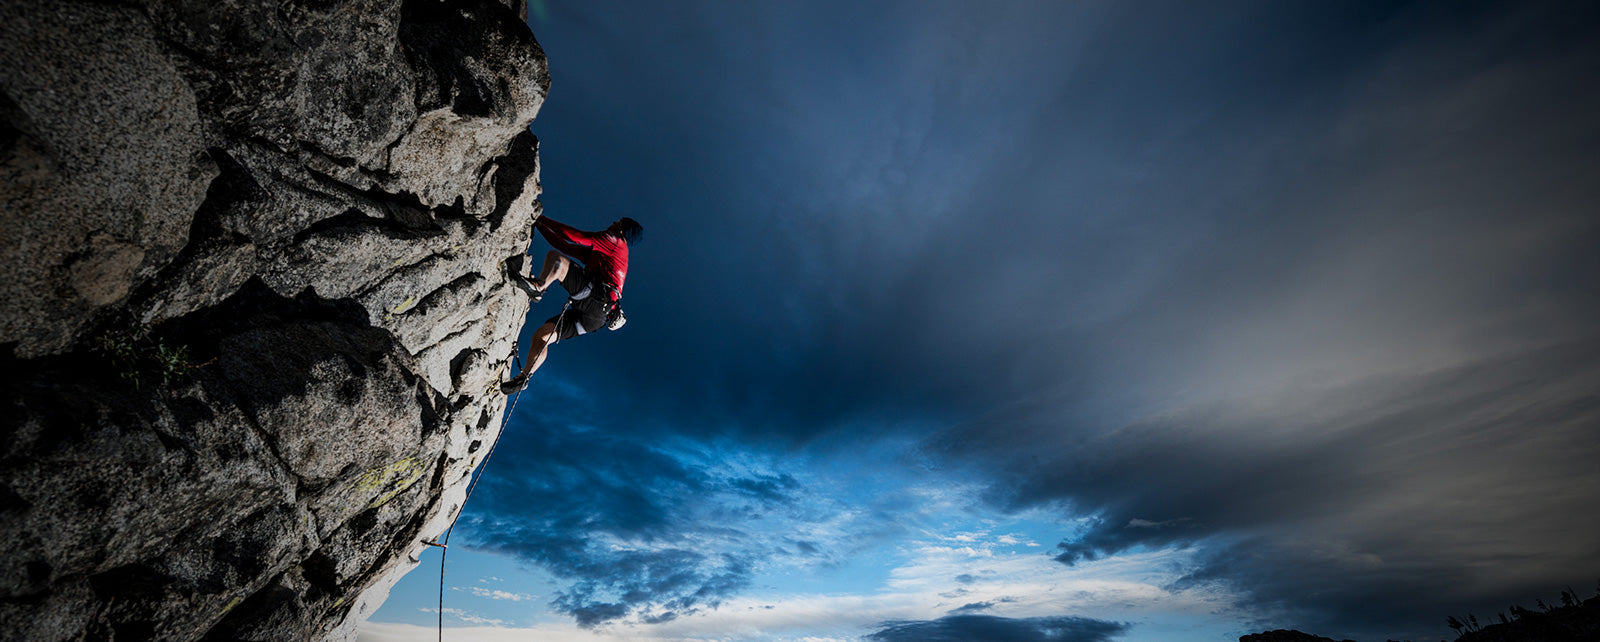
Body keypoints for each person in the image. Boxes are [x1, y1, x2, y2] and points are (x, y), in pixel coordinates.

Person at [501, 215, 642, 393]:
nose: (612, 223)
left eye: (618, 222)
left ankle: (538, 288)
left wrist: (541, 218)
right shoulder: (602, 251)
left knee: (557, 261)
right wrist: (539, 225)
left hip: (598, 301)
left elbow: (575, 236)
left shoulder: (615, 241)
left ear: (622, 229)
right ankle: (524, 377)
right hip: (596, 318)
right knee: (542, 337)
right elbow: (564, 245)